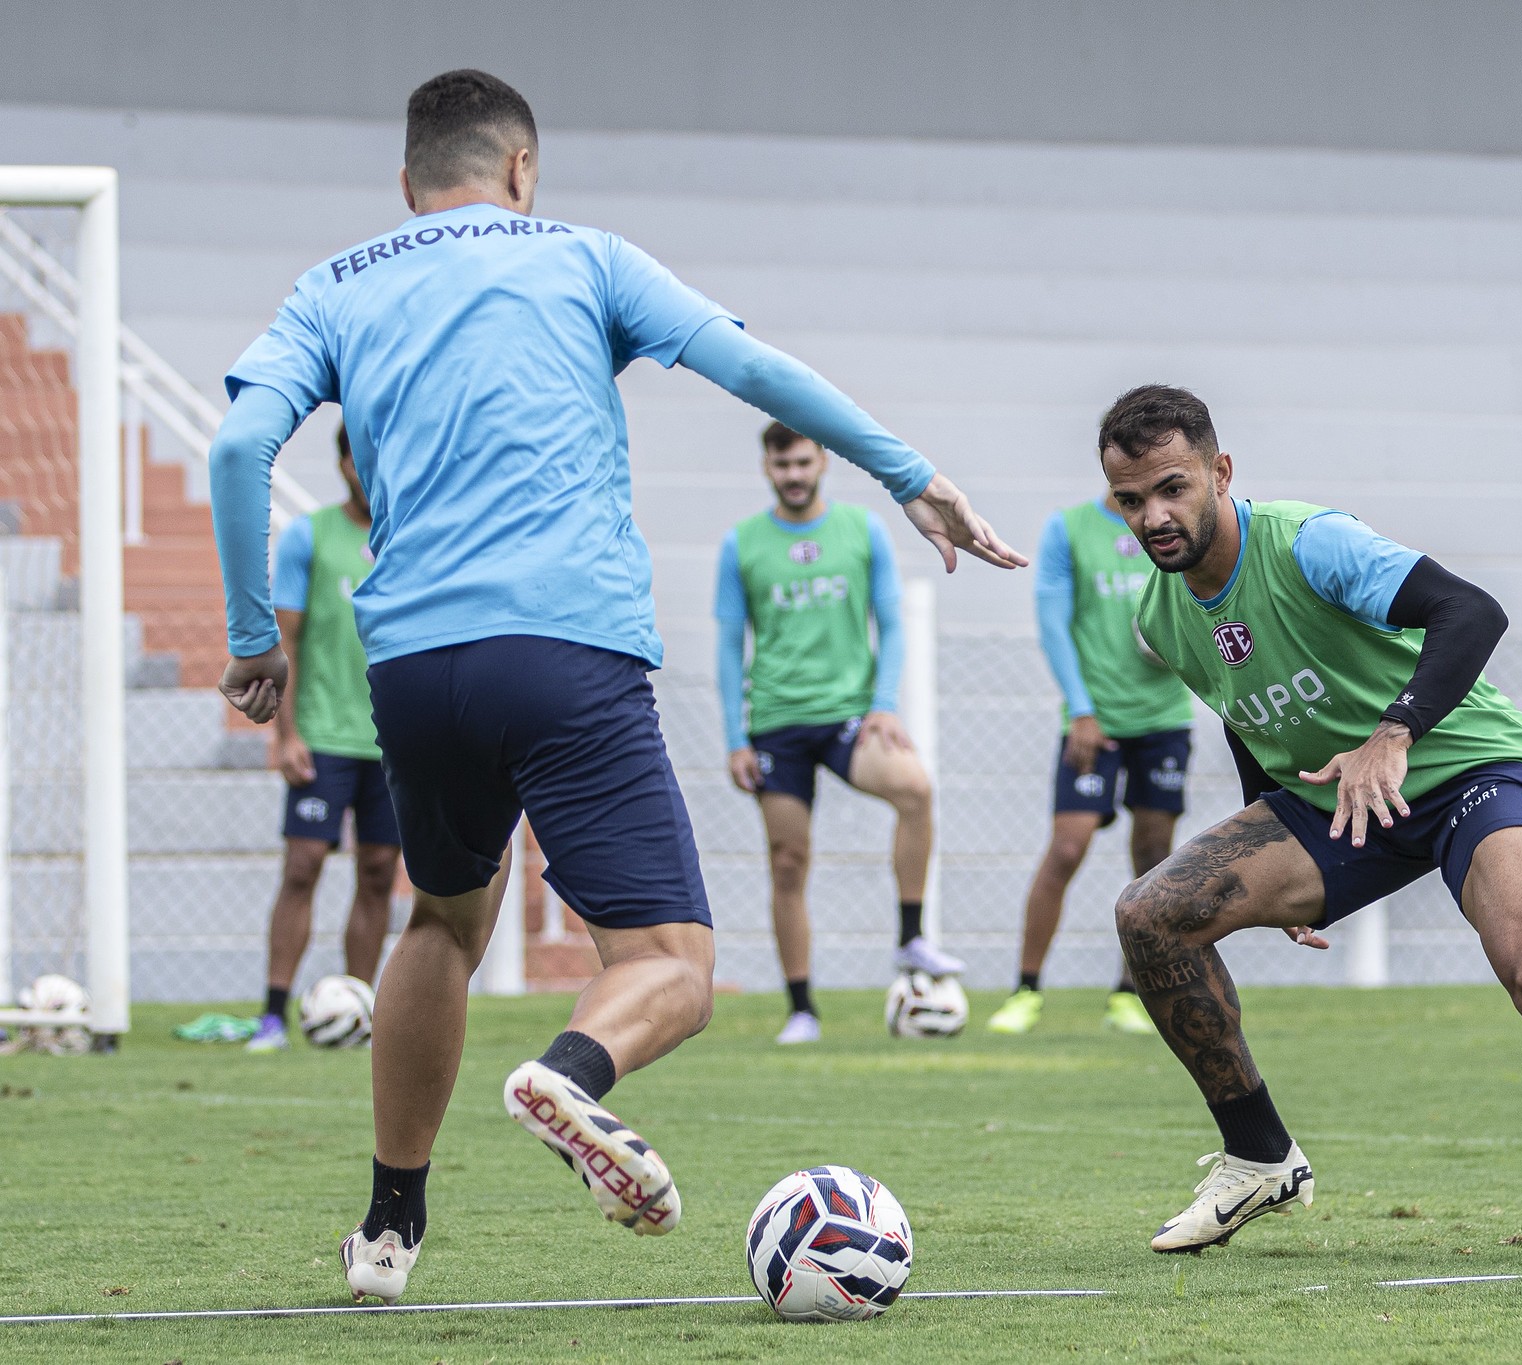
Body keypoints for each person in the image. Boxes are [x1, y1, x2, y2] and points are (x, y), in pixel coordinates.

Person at [207, 69, 1021, 1305]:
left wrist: (253, 633)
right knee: (673, 965)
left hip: (413, 669)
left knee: (441, 920)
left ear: (407, 182)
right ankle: (570, 1073)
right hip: (564, 651)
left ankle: (387, 1231)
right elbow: (751, 369)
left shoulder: (337, 283)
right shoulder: (583, 258)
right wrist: (909, 475)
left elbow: (233, 447)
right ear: (522, 168)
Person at [1096, 384, 1522, 1266]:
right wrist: (1272, 845)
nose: (1155, 516)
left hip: (1467, 769)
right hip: (1339, 801)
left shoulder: (1309, 543)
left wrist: (1395, 731)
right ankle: (1258, 1153)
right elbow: (1244, 714)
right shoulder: (1162, 612)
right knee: (1149, 914)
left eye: (1172, 487)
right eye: (1132, 499)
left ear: (1221, 472)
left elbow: (1472, 611)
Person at [717, 422, 958, 1046]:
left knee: (915, 789)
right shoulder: (741, 544)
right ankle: (801, 1007)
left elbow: (892, 624)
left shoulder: (862, 530)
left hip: (850, 716)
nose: (793, 475)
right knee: (789, 861)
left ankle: (911, 940)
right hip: (776, 722)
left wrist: (883, 704)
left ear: (821, 459)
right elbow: (726, 646)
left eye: (802, 462)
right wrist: (735, 736)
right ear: (767, 468)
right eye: (781, 466)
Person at [986, 491, 1193, 1036]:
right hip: (1092, 722)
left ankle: (1130, 993)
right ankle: (1026, 990)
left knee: (1153, 855)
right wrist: (1081, 710)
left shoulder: (1176, 527)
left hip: (1164, 719)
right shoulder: (1069, 529)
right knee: (1067, 847)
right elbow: (1053, 624)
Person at [244, 425, 399, 1050]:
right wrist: (286, 735)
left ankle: (355, 1010)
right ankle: (275, 1013)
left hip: (394, 743)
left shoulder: (411, 536)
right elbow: (289, 643)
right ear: (342, 464)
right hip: (324, 737)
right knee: (304, 865)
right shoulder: (310, 534)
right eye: (358, 457)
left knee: (380, 872)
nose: (369, 469)